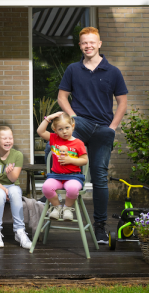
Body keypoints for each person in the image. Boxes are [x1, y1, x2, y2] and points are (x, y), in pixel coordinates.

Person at [57, 26, 127, 244]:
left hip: (103, 129)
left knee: (99, 178)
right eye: (84, 42)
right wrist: (73, 118)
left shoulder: (113, 71)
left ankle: (99, 227)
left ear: (99, 44)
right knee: (59, 148)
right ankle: (50, 192)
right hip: (82, 122)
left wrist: (112, 127)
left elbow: (122, 102)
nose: (88, 45)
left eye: (92, 42)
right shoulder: (73, 69)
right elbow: (62, 97)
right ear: (80, 46)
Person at [0, 126, 32, 249]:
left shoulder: (17, 155)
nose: (8, 141)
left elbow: (13, 179)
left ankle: (20, 231)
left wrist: (9, 172)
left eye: (10, 138)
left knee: (16, 191)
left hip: (11, 185)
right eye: (4, 138)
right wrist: (4, 189)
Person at [38, 112, 88, 222]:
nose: (64, 131)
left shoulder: (78, 143)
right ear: (55, 130)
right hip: (56, 176)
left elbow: (84, 160)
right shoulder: (54, 138)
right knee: (46, 187)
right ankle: (57, 207)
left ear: (72, 126)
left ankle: (67, 208)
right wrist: (49, 118)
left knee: (73, 188)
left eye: (67, 127)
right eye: (60, 129)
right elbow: (40, 131)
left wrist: (71, 160)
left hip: (74, 176)